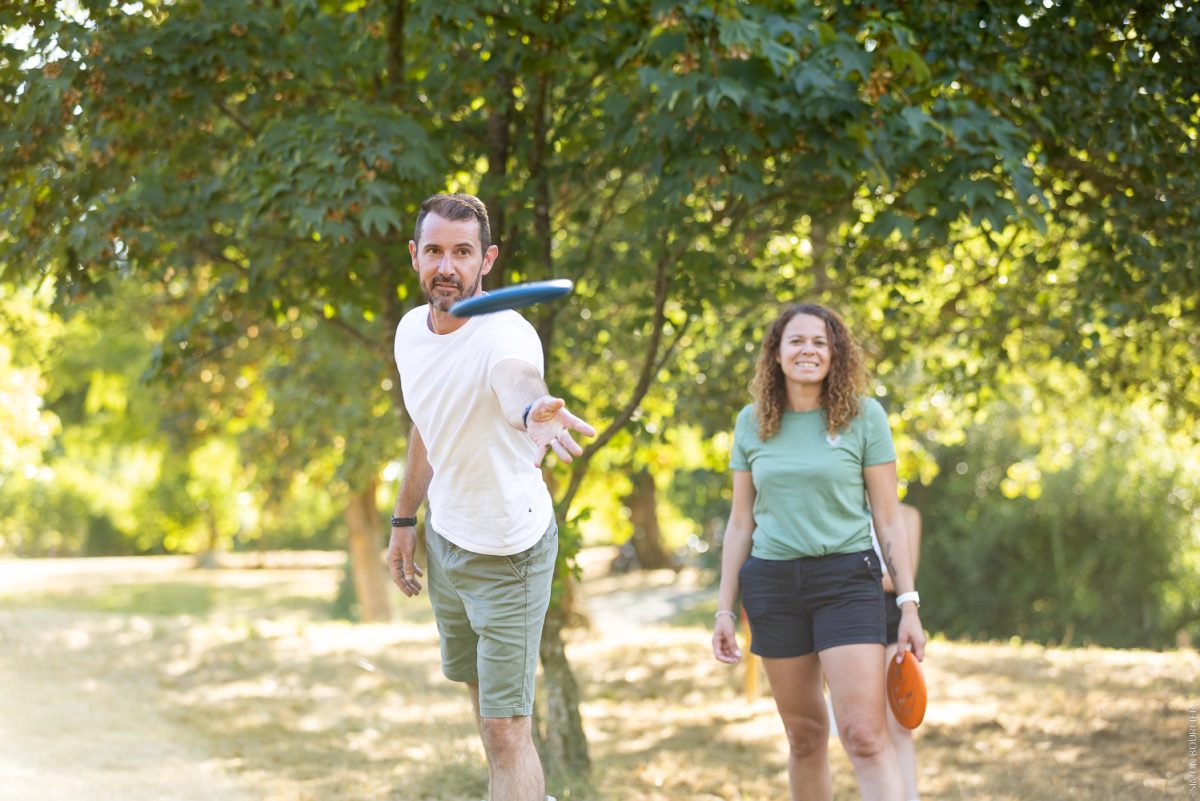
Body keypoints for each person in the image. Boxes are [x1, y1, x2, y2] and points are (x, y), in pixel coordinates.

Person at [386, 192, 595, 801]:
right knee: (486, 714)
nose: (446, 266)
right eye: (434, 251)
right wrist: (404, 520)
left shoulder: (507, 333)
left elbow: (516, 381)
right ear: (415, 255)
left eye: (462, 252)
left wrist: (533, 411)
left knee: (506, 731)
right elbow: (429, 424)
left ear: (488, 259)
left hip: (509, 552)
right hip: (448, 538)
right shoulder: (410, 332)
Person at [711, 303, 926, 801]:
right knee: (805, 736)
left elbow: (888, 518)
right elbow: (741, 522)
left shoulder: (864, 416)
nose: (807, 350)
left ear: (835, 354)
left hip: (847, 582)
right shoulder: (752, 422)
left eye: (819, 342)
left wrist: (908, 605)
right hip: (774, 587)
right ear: (776, 353)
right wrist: (724, 608)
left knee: (865, 736)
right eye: (796, 341)